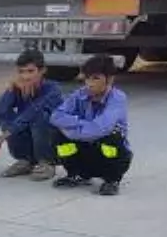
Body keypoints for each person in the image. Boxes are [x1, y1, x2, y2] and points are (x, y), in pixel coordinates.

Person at [49, 53, 132, 196]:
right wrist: (79, 123)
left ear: (110, 79)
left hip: (107, 155)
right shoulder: (79, 95)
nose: (90, 83)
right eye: (87, 78)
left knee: (112, 136)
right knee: (58, 135)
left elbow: (101, 128)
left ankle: (112, 180)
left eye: (96, 78)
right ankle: (74, 174)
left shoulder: (117, 98)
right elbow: (56, 116)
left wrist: (71, 129)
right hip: (86, 148)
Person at [0, 49, 63, 181]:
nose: (25, 77)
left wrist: (1, 138)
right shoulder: (19, 87)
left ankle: (46, 163)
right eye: (21, 72)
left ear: (42, 70)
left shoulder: (53, 89)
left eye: (30, 71)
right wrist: (10, 90)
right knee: (6, 116)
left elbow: (32, 113)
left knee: (39, 116)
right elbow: (0, 112)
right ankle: (26, 160)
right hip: (29, 135)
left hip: (55, 145)